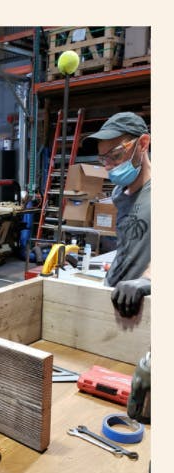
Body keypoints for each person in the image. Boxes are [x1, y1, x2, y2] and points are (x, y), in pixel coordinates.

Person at [86, 112, 151, 318]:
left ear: (143, 144)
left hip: (140, 305)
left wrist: (148, 280)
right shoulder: (118, 193)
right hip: (114, 297)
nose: (109, 166)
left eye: (115, 156)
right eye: (104, 159)